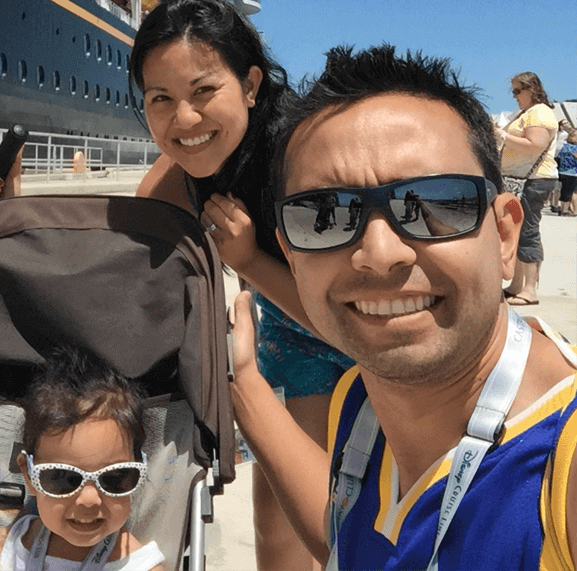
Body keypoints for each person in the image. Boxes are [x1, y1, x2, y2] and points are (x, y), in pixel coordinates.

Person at [0, 0, 352, 570]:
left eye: (204, 91)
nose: (185, 119)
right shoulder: (188, 162)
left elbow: (345, 319)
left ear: (249, 84)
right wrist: (8, 214)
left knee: (332, 531)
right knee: (280, 542)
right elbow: (130, 250)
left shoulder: (303, 158)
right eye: (160, 99)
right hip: (283, 337)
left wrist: (245, 261)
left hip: (347, 336)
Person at [228, 45, 577, 570]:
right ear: (292, 256)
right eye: (326, 215)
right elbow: (351, 536)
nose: (379, 254)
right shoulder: (360, 399)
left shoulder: (561, 465)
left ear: (506, 234)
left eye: (435, 203)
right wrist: (247, 388)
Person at [0, 344, 166, 571]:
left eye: (114, 477)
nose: (89, 499)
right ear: (28, 475)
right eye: (62, 478)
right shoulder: (2, 551)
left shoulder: (141, 567)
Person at [495, 72, 559, 306]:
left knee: (527, 231)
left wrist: (501, 135)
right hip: (522, 179)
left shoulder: (540, 113)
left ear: (531, 89)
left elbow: (535, 145)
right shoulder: (528, 113)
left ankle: (529, 289)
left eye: (517, 91)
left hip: (534, 180)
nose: (514, 97)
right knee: (516, 231)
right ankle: (517, 285)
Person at [555, 127, 577, 216]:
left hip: (562, 171)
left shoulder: (564, 147)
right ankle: (570, 210)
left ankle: (562, 208)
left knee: (564, 190)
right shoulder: (575, 148)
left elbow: (559, 158)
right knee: (573, 192)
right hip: (573, 172)